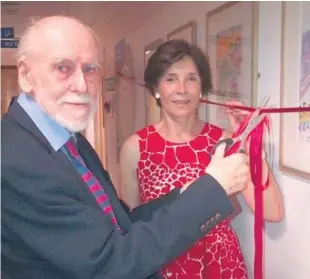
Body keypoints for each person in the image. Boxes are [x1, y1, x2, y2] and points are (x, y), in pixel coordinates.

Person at [1, 16, 251, 279]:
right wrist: (212, 189)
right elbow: (111, 261)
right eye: (63, 67)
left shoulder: (68, 139)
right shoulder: (13, 159)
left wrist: (187, 192)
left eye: (90, 69)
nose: (82, 85)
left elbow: (120, 222)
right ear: (26, 75)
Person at [119, 39, 284, 279]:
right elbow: (130, 224)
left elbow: (271, 211)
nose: (182, 88)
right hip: (166, 267)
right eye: (171, 78)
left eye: (192, 78)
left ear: (201, 88)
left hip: (222, 266)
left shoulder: (225, 141)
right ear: (156, 88)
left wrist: (251, 147)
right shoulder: (135, 148)